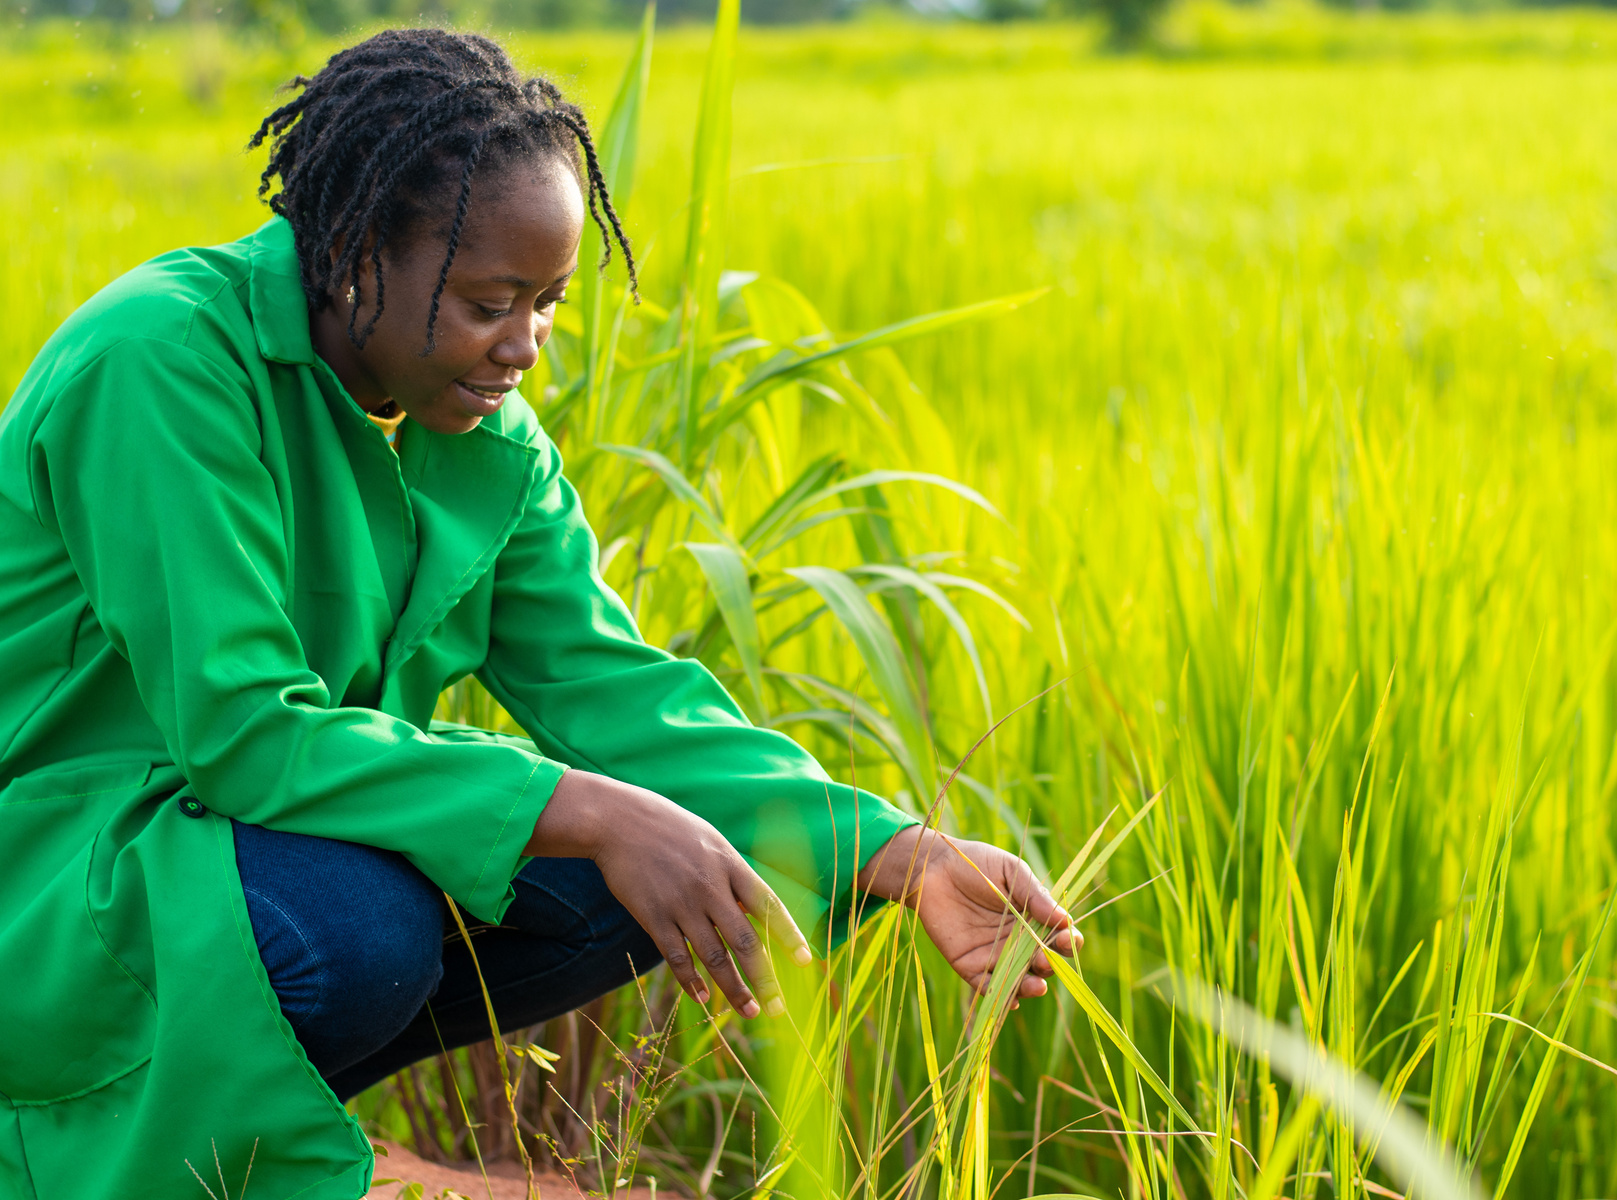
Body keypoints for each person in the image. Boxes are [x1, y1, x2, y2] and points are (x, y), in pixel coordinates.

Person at [0, 28, 1077, 1200]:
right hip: (58, 873)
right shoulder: (162, 359)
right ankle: (310, 1165)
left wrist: (895, 852)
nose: (524, 347)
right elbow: (245, 733)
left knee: (705, 860)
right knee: (368, 926)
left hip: (230, 851)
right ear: (356, 254)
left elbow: (620, 695)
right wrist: (585, 807)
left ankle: (296, 1143)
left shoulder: (481, 441)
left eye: (550, 304)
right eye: (487, 302)